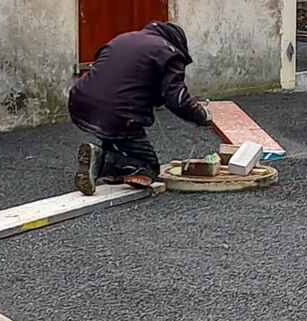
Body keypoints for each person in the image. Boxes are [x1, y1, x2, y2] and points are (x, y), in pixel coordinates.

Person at [69, 20, 213, 193]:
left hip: (79, 101)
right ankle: (102, 162)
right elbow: (177, 99)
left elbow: (118, 75)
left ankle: (113, 166)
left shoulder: (123, 39)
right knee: (148, 167)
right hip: (118, 113)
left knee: (116, 134)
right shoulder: (170, 53)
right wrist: (202, 116)